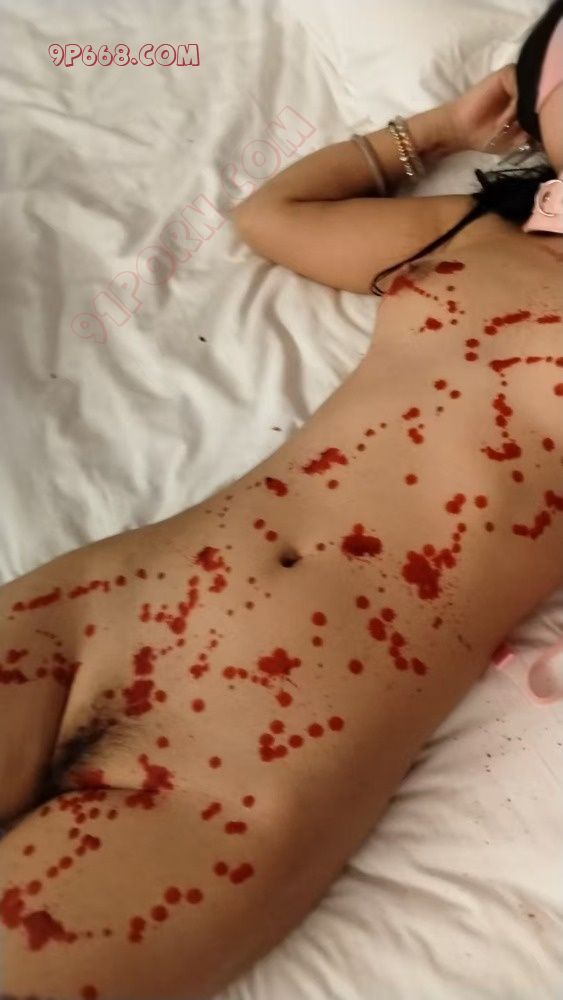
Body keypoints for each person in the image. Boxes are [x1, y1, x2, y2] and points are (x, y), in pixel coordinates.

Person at [1, 4, 562, 997]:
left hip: (251, 760)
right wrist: (439, 131)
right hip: (96, 611)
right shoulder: (466, 231)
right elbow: (271, 218)